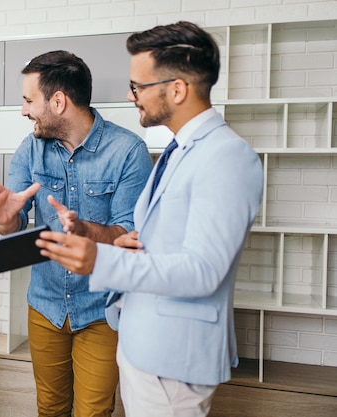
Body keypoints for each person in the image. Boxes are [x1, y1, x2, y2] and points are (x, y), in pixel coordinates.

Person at [35, 22, 264, 417]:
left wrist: (99, 259)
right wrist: (131, 241)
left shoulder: (226, 156)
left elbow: (204, 270)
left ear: (176, 89)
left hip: (174, 358)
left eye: (138, 86)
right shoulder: (182, 149)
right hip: (146, 345)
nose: (130, 95)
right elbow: (173, 237)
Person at [0, 50, 153, 416]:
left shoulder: (128, 151)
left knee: (94, 412)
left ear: (58, 101)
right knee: (51, 409)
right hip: (45, 306)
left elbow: (132, 234)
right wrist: (5, 219)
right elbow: (12, 223)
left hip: (101, 310)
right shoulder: (29, 150)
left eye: (28, 100)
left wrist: (86, 230)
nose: (24, 110)